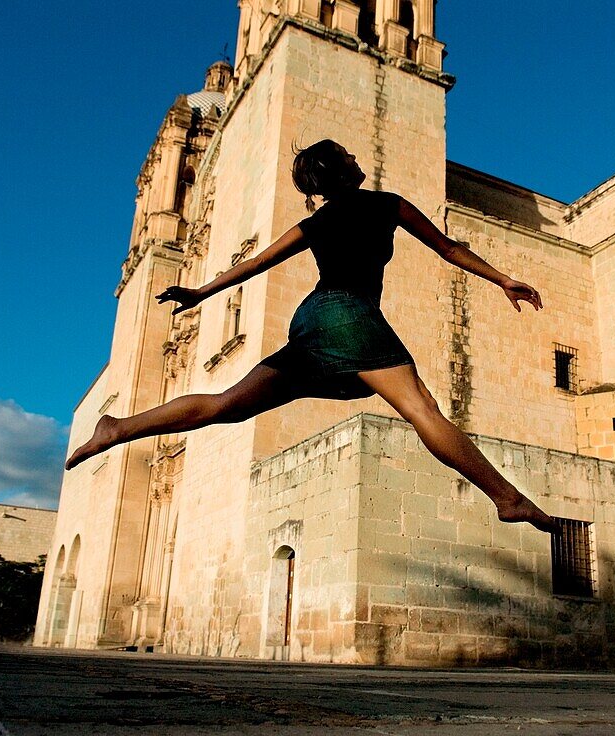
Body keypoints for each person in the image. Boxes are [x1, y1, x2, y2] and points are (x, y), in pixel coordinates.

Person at [66, 139, 558, 534]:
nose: (357, 159)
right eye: (349, 157)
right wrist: (501, 279)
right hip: (348, 315)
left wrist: (201, 291)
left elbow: (255, 263)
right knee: (421, 409)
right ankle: (507, 498)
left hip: (312, 319)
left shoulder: (314, 223)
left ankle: (119, 428)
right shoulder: (388, 205)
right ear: (340, 173)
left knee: (227, 404)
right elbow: (448, 248)